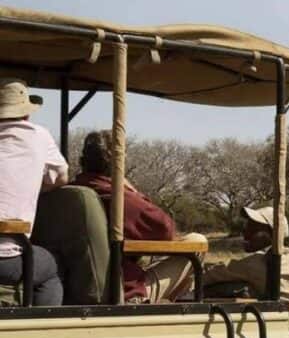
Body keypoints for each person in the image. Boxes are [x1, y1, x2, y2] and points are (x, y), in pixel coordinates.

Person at [73, 130, 203, 303]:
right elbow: (166, 230)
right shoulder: (116, 195)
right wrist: (132, 190)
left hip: (76, 285)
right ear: (117, 162)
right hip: (122, 289)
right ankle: (169, 304)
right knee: (196, 241)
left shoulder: (72, 191)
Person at [0, 79, 67, 305]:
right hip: (7, 259)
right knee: (51, 266)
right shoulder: (38, 135)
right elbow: (62, 177)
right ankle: (42, 331)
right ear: (27, 114)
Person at [203, 206, 289, 302]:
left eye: (254, 228)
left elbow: (212, 274)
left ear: (273, 233)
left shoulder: (258, 263)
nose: (246, 232)